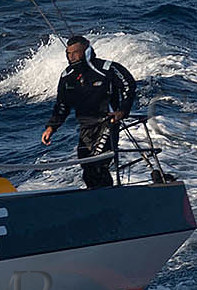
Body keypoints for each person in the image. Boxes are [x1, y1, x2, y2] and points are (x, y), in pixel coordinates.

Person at [40, 35, 135, 188]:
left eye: (76, 52)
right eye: (69, 53)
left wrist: (122, 111)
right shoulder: (67, 77)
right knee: (86, 167)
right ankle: (100, 197)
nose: (72, 57)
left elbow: (128, 86)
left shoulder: (107, 68)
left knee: (97, 165)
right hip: (85, 127)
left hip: (107, 124)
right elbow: (62, 105)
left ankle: (109, 197)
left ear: (87, 50)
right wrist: (51, 127)